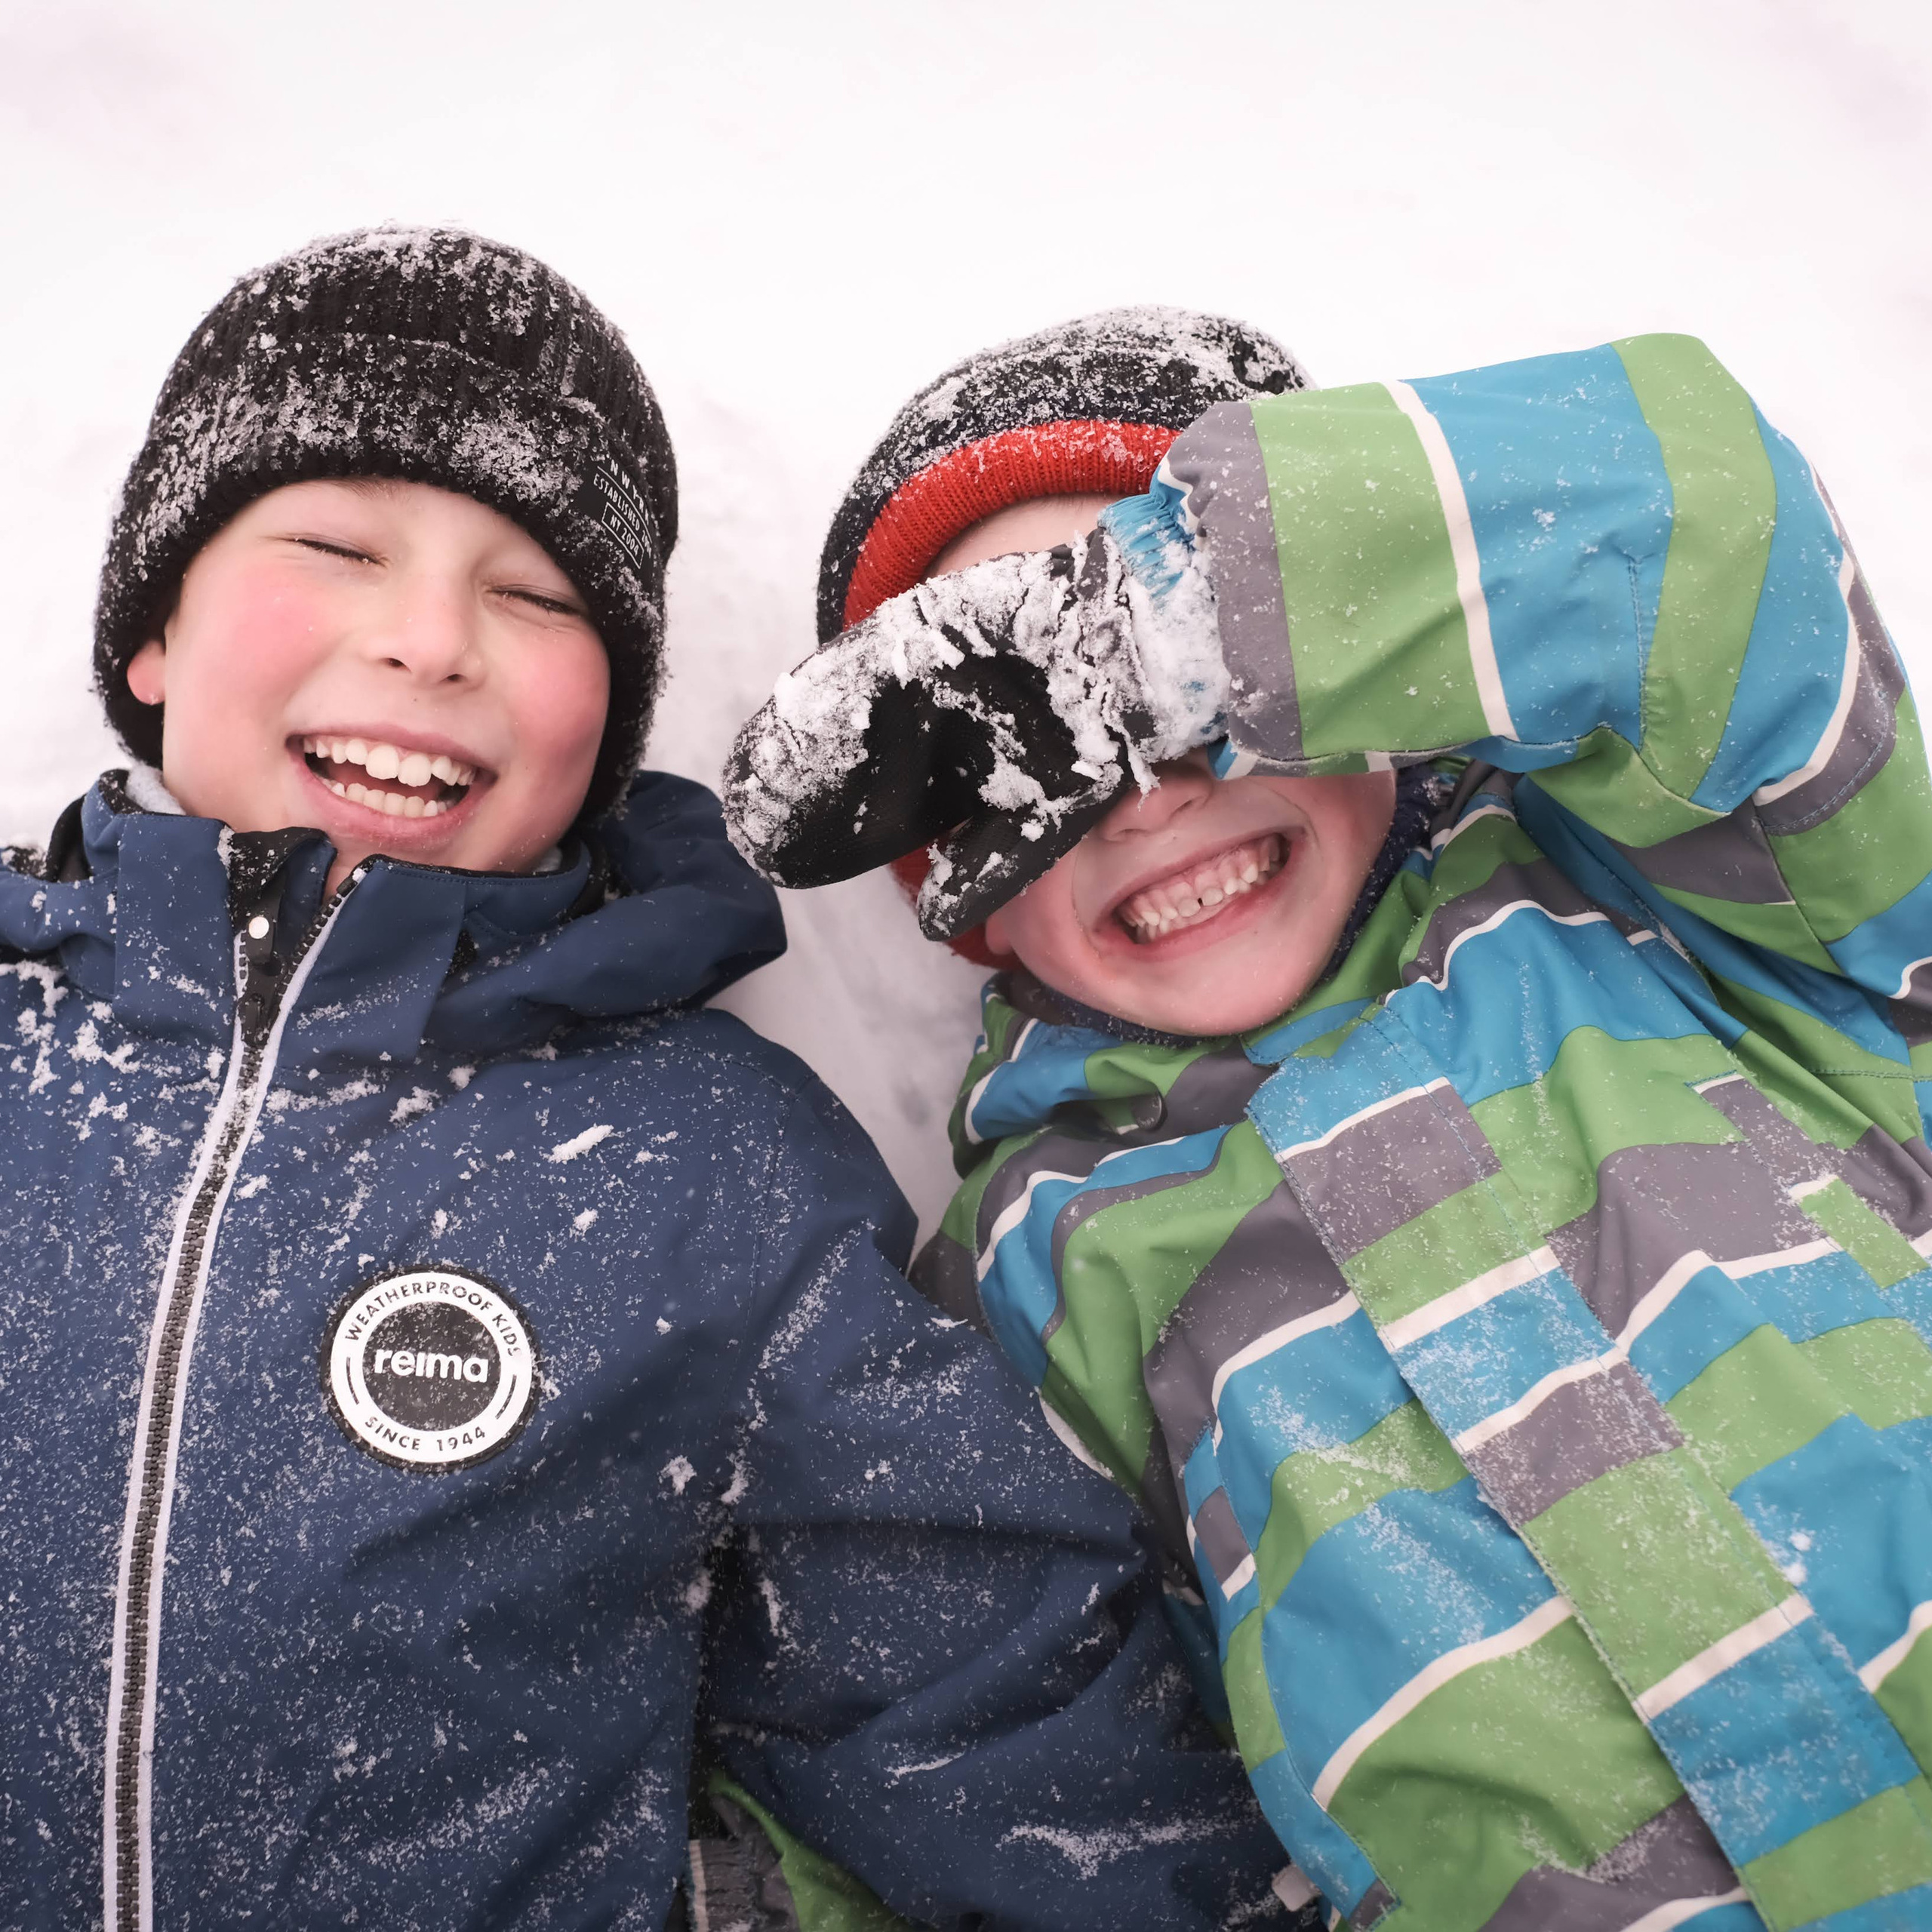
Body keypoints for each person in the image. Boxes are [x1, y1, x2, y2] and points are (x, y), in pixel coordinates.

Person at [0, 229, 1302, 1932]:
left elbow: (964, 1686)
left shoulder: (703, 1160)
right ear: (151, 633)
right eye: (335, 544)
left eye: (533, 593)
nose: (431, 640)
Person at [728, 321, 1932, 1931]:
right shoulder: (1035, 1271)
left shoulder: (1698, 904)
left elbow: (1711, 527)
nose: (1139, 790)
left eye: (1187, 698)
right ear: (959, 903)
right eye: (1017, 757)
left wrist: (1166, 606)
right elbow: (982, 1747)